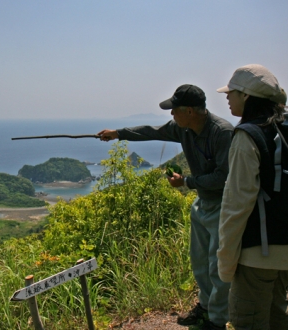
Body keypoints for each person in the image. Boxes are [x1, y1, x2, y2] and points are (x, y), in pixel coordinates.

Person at [98, 84, 233, 330]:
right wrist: (118, 133)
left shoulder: (222, 132)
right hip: (202, 203)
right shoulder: (183, 128)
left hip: (223, 206)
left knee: (218, 266)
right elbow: (151, 131)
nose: (171, 115)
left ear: (190, 111)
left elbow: (224, 176)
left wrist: (186, 182)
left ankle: (217, 320)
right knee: (200, 261)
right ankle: (204, 306)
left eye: (175, 110)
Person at [216, 64, 288, 329]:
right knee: (276, 312)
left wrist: (225, 262)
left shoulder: (248, 135)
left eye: (232, 92)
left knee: (247, 320)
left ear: (247, 95)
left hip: (260, 253)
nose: (227, 97)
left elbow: (236, 205)